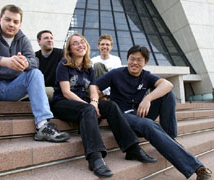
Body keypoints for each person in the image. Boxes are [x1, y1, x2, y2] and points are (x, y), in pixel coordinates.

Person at [96, 45, 212, 180]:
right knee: (149, 124)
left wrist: (148, 98)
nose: (134, 62)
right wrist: (99, 99)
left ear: (145, 63)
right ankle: (198, 169)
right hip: (122, 118)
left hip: (139, 113)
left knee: (167, 94)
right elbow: (94, 87)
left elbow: (168, 85)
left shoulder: (146, 76)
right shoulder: (116, 73)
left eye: (139, 60)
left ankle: (169, 138)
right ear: (127, 59)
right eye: (132, 59)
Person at [50, 34, 157, 178]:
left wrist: (94, 102)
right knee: (88, 108)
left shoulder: (89, 67)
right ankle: (95, 157)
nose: (80, 45)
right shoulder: (64, 65)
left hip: (85, 103)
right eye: (75, 43)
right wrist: (90, 106)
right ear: (69, 48)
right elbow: (66, 92)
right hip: (62, 103)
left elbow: (94, 90)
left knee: (111, 105)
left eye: (82, 42)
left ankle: (132, 148)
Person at [0, 4, 69, 154]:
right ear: (0, 19)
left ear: (20, 24)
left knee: (35, 73)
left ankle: (43, 125)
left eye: (15, 21)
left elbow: (35, 62)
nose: (11, 24)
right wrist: (5, 61)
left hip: (13, 89)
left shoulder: (23, 40)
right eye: (8, 20)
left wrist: (26, 63)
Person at [35, 30, 64, 99]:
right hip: (40, 89)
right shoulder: (34, 57)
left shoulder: (61, 54)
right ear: (39, 42)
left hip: (56, 90)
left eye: (51, 38)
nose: (49, 40)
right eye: (46, 38)